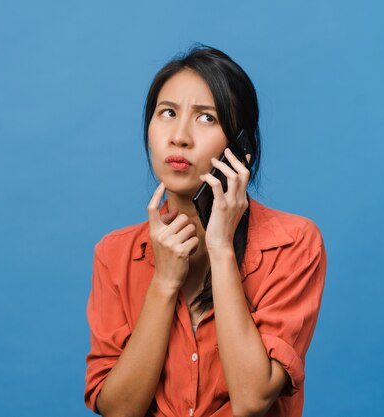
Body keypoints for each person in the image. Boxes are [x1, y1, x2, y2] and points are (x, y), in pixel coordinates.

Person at [84, 45, 326, 417]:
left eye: (206, 118)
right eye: (167, 113)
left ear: (240, 145)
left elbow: (252, 400)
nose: (179, 136)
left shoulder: (293, 243)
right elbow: (118, 409)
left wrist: (221, 248)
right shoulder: (114, 253)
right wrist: (164, 283)